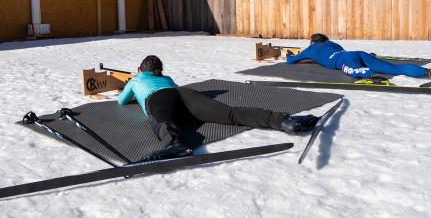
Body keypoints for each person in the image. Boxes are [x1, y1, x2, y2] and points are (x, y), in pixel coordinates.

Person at [118, 55, 319, 160]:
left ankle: (175, 144)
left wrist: (131, 84)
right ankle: (283, 121)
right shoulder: (167, 78)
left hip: (159, 99)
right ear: (159, 71)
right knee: (231, 113)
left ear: (140, 70)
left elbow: (121, 101)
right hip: (184, 95)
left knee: (163, 121)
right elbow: (171, 90)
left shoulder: (136, 80)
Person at [287, 33, 431, 80]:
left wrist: (289, 55)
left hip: (342, 61)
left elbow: (291, 61)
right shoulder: (333, 44)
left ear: (312, 42)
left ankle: (371, 75)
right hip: (355, 53)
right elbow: (336, 50)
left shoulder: (310, 49)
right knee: (395, 69)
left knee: (354, 71)